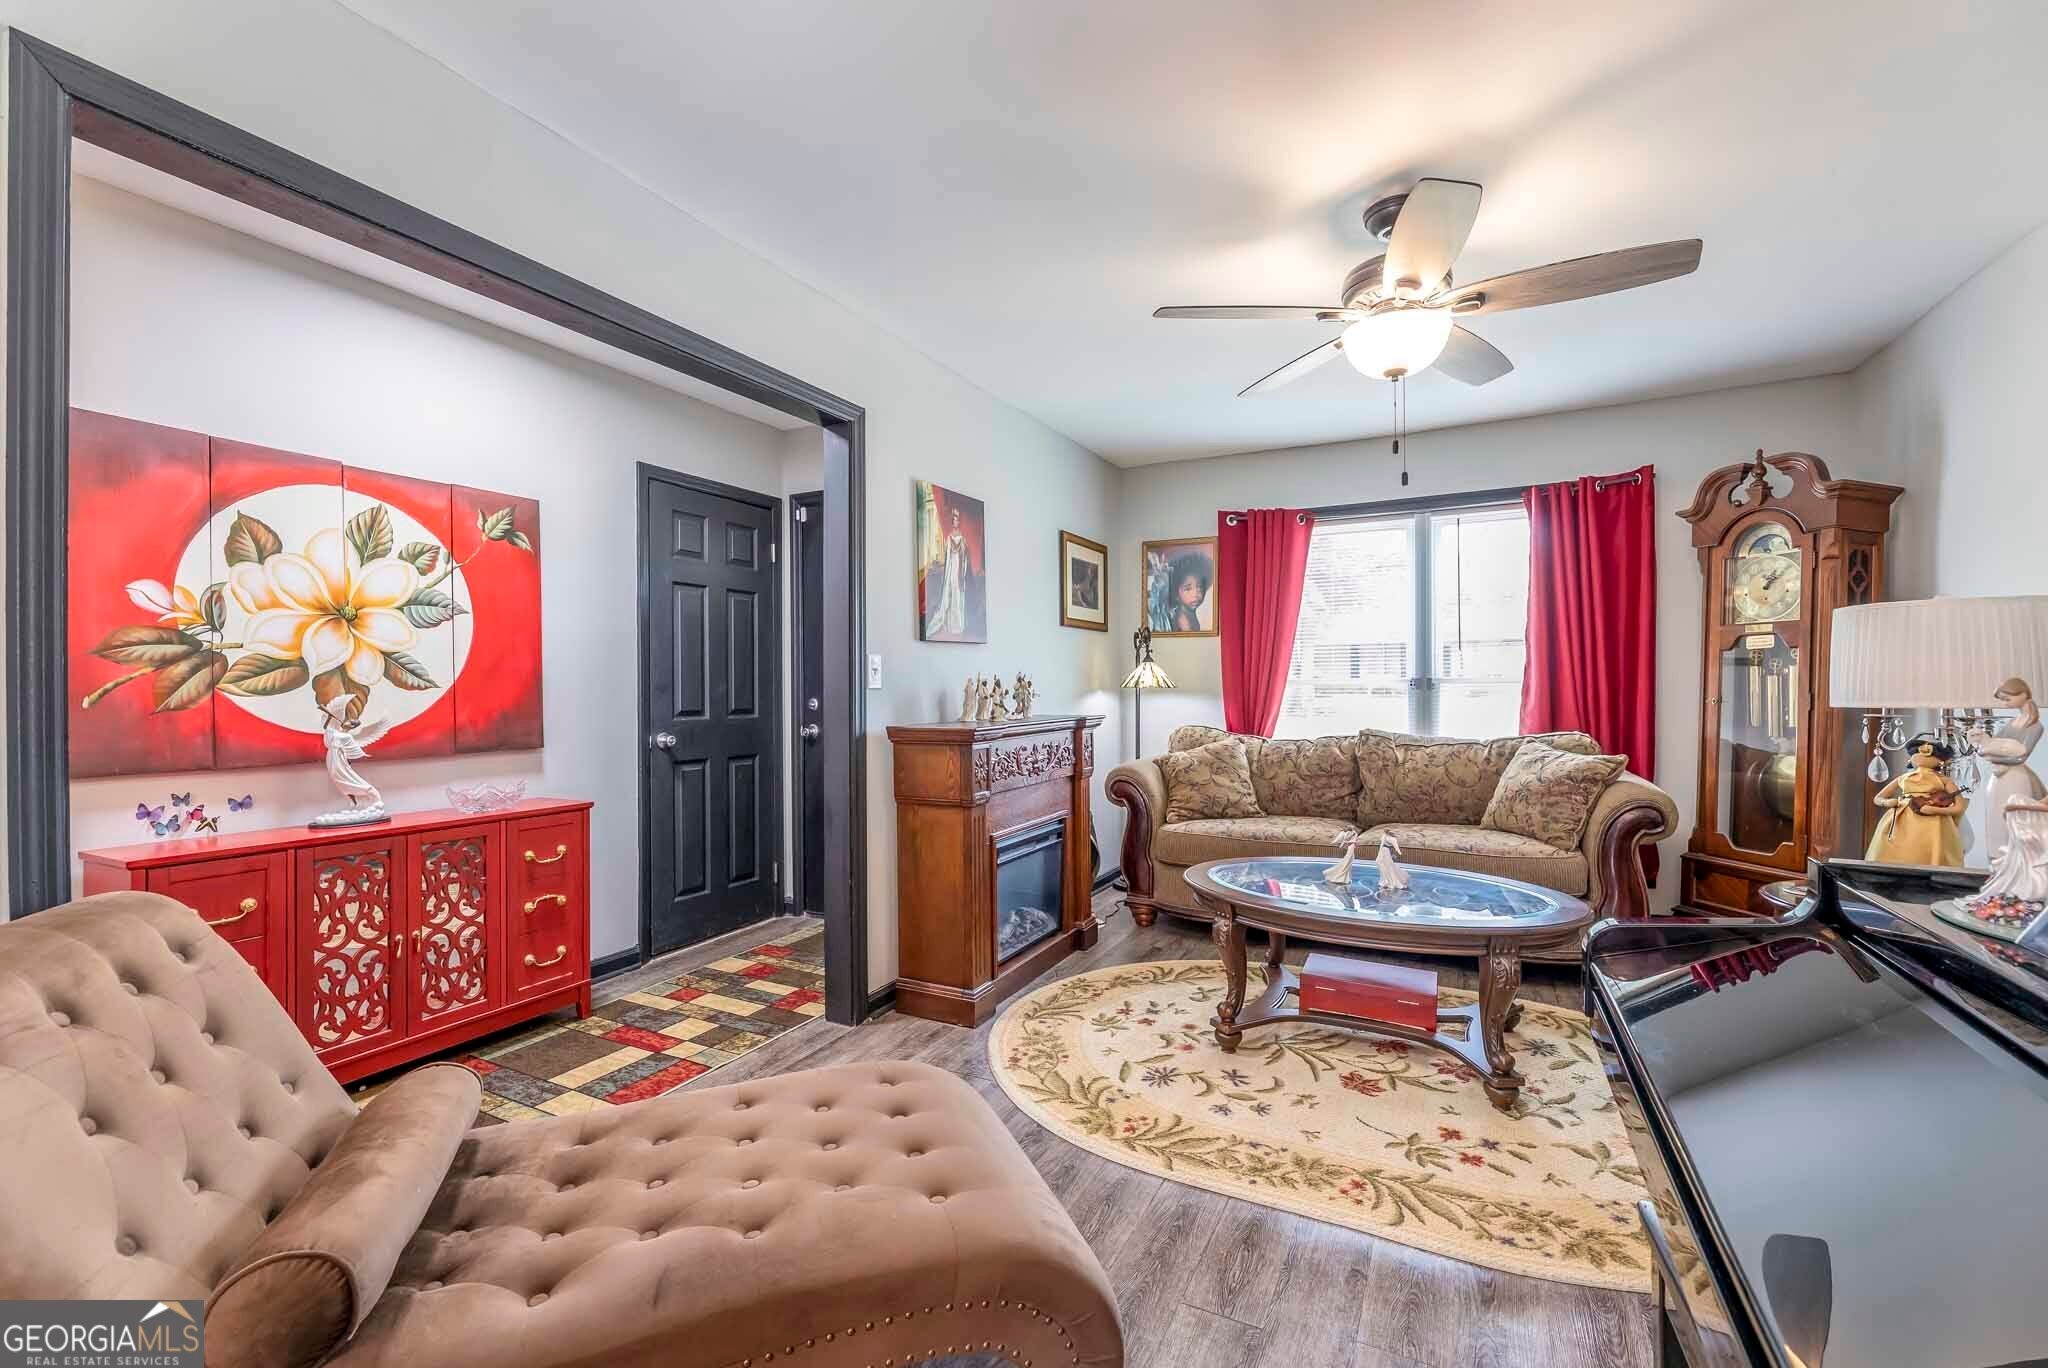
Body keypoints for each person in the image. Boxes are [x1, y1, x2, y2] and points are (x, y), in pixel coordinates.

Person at [1969, 676, 2045, 864]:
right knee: (1996, 817)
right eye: (2002, 700)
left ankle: (2018, 861)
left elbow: (2021, 757)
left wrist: (1991, 755)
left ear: (2023, 694)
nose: (2004, 704)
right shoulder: (2011, 723)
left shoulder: (2035, 726)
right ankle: (1998, 860)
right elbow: (1990, 744)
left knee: (2013, 817)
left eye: (2007, 699)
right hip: (1998, 778)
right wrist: (1983, 743)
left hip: (2016, 777)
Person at [1865, 736, 1969, 866]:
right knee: (1893, 850)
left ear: (1941, 761)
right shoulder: (1904, 778)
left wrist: (1934, 810)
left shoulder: (1944, 780)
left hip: (1934, 823)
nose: (1921, 756)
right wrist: (1887, 802)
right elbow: (1878, 798)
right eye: (1917, 753)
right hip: (1900, 817)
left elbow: (1960, 806)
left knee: (1931, 850)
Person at [924, 506, 970, 638]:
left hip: (959, 569)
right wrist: (948, 572)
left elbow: (965, 557)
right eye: (954, 519)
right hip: (951, 568)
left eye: (957, 519)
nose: (956, 522)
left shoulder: (963, 538)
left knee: (958, 594)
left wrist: (962, 571)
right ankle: (950, 624)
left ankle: (958, 624)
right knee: (951, 593)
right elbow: (948, 556)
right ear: (952, 521)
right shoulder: (949, 537)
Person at [1159, 550, 1213, 632]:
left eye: (1199, 587)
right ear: (1176, 594)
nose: (1195, 594)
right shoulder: (1183, 620)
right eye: (1188, 589)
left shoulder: (1190, 613)